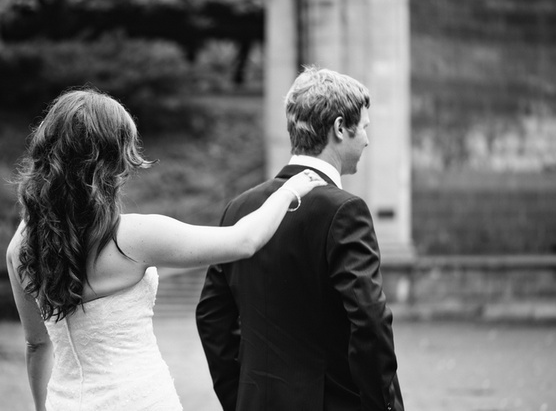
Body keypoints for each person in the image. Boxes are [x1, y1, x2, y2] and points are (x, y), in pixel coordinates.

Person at [6, 88, 326, 411]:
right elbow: (244, 241)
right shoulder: (133, 238)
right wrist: (289, 191)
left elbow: (36, 345)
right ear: (108, 163)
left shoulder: (22, 248)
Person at [196, 66, 404, 411]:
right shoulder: (344, 211)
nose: (367, 139)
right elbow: (369, 320)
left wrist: (239, 399)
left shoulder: (238, 209)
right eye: (364, 128)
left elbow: (212, 317)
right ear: (340, 128)